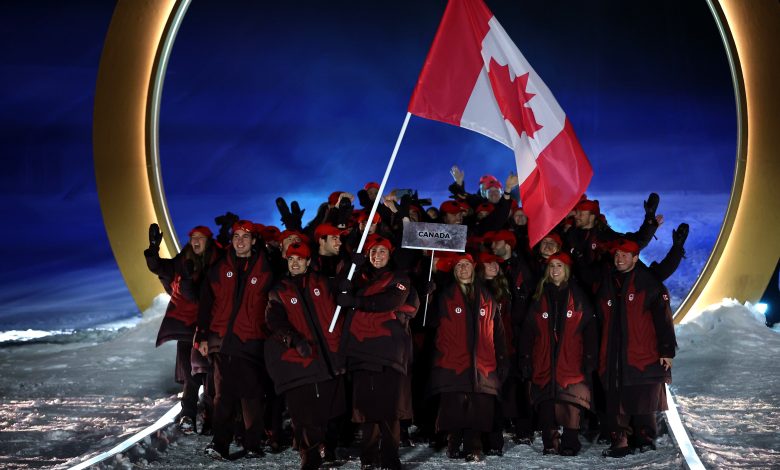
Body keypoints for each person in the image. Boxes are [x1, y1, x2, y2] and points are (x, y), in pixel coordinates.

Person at [338, 234, 419, 470]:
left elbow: (389, 301)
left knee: (388, 409)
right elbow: (341, 291)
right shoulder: (358, 277)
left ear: (390, 254)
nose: (377, 256)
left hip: (388, 352)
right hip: (361, 350)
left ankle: (390, 457)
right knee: (366, 409)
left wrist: (356, 302)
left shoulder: (399, 278)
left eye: (382, 251)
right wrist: (351, 267)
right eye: (373, 252)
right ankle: (369, 456)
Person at [195, 220, 274, 460]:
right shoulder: (219, 268)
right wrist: (203, 336)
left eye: (245, 236)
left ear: (253, 241)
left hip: (252, 341)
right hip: (222, 341)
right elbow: (206, 305)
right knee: (223, 397)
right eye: (236, 236)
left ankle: (253, 444)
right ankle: (220, 444)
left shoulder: (267, 269)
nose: (240, 240)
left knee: (251, 396)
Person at [265, 242, 346, 469]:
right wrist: (294, 339)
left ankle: (328, 448)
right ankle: (309, 457)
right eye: (291, 259)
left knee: (333, 410)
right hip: (300, 361)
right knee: (303, 413)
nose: (295, 262)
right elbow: (274, 321)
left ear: (308, 261)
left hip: (330, 358)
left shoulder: (324, 283)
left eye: (300, 258)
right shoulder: (279, 291)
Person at [595, 239, 677, 457]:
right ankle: (620, 440)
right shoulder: (609, 282)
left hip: (642, 352)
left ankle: (644, 439)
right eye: (617, 255)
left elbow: (664, 320)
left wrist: (667, 350)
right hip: (613, 352)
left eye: (625, 255)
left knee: (642, 396)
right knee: (616, 396)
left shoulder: (649, 284)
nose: (619, 259)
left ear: (635, 257)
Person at [428, 253, 508, 462]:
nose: (463, 269)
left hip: (482, 363)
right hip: (452, 361)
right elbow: (430, 324)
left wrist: (501, 358)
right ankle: (453, 443)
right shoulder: (445, 296)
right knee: (453, 406)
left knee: (479, 407)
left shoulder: (487, 297)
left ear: (473, 268)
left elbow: (498, 332)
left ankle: (475, 446)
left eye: (466, 265)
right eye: (458, 266)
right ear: (454, 272)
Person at [144, 223, 219, 435]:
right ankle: (188, 416)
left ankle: (210, 418)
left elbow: (199, 296)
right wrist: (152, 250)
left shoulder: (217, 262)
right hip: (187, 329)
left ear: (208, 240)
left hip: (211, 329)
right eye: (193, 237)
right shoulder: (184, 259)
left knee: (212, 376)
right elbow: (160, 267)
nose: (196, 241)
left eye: (200, 237)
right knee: (191, 375)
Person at [520, 252, 597, 456]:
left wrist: (590, 357)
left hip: (570, 357)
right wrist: (526, 356)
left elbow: (589, 327)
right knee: (546, 402)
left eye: (559, 266)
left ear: (567, 270)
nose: (555, 270)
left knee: (571, 402)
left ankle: (570, 442)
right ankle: (550, 443)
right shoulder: (539, 295)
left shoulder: (578, 295)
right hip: (544, 356)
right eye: (552, 266)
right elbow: (528, 329)